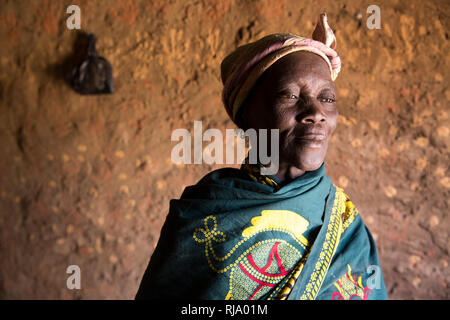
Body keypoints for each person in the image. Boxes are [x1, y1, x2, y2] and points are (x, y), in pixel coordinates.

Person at [136, 13, 388, 300]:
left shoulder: (346, 228)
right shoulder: (204, 215)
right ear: (246, 117)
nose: (316, 112)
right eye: (290, 96)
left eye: (327, 98)